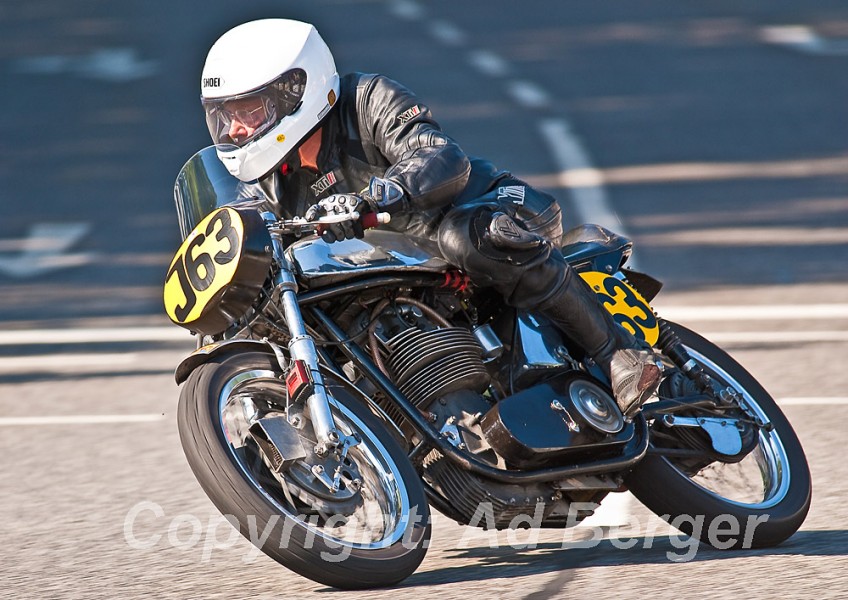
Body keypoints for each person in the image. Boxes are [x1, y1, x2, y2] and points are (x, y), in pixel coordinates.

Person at [199, 18, 662, 416]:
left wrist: (384, 194)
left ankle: (618, 353)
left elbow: (438, 155)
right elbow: (251, 236)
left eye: (249, 112)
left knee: (467, 239)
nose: (236, 130)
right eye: (225, 117)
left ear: (296, 90)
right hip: (407, 276)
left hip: (491, 212)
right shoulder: (267, 183)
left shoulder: (366, 99)